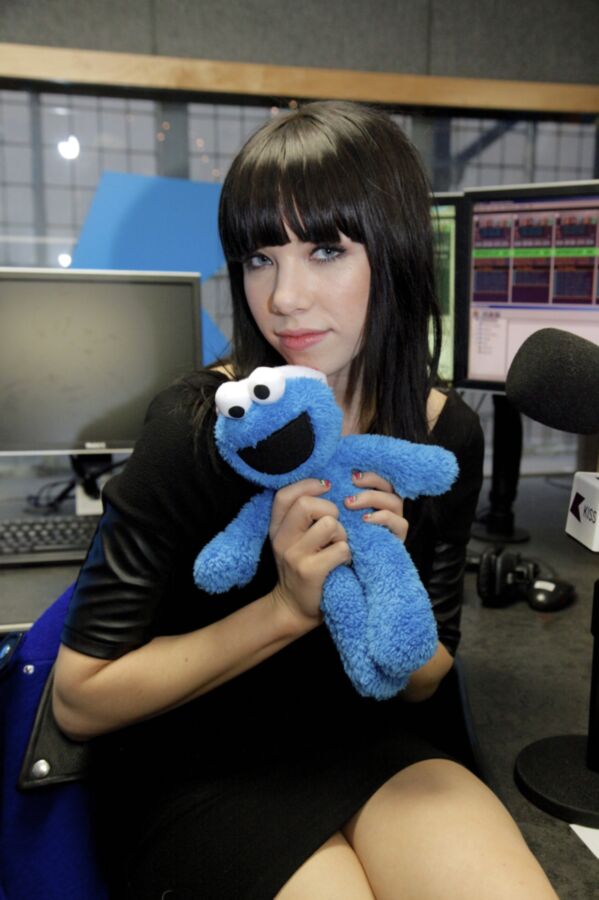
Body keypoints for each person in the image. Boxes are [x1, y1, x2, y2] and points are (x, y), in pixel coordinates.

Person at [52, 100, 558, 899]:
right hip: (197, 757)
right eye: (260, 258)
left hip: (369, 737)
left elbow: (426, 675)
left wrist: (385, 574)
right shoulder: (197, 428)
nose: (284, 297)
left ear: (394, 254)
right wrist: (288, 607)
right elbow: (79, 700)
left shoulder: (440, 434)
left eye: (326, 250)